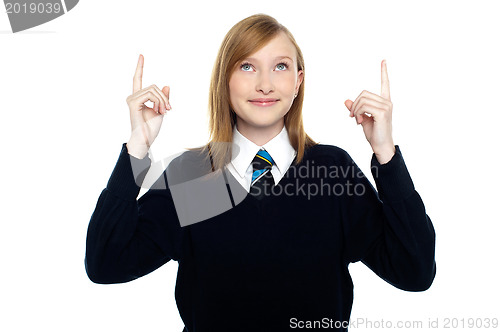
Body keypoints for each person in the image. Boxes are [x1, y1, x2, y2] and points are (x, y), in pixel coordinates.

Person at [85, 13, 436, 332]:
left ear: (298, 81)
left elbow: (414, 271)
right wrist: (137, 149)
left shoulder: (333, 172)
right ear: (226, 80)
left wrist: (386, 154)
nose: (265, 84)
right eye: (247, 67)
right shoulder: (193, 175)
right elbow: (106, 264)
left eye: (280, 67)